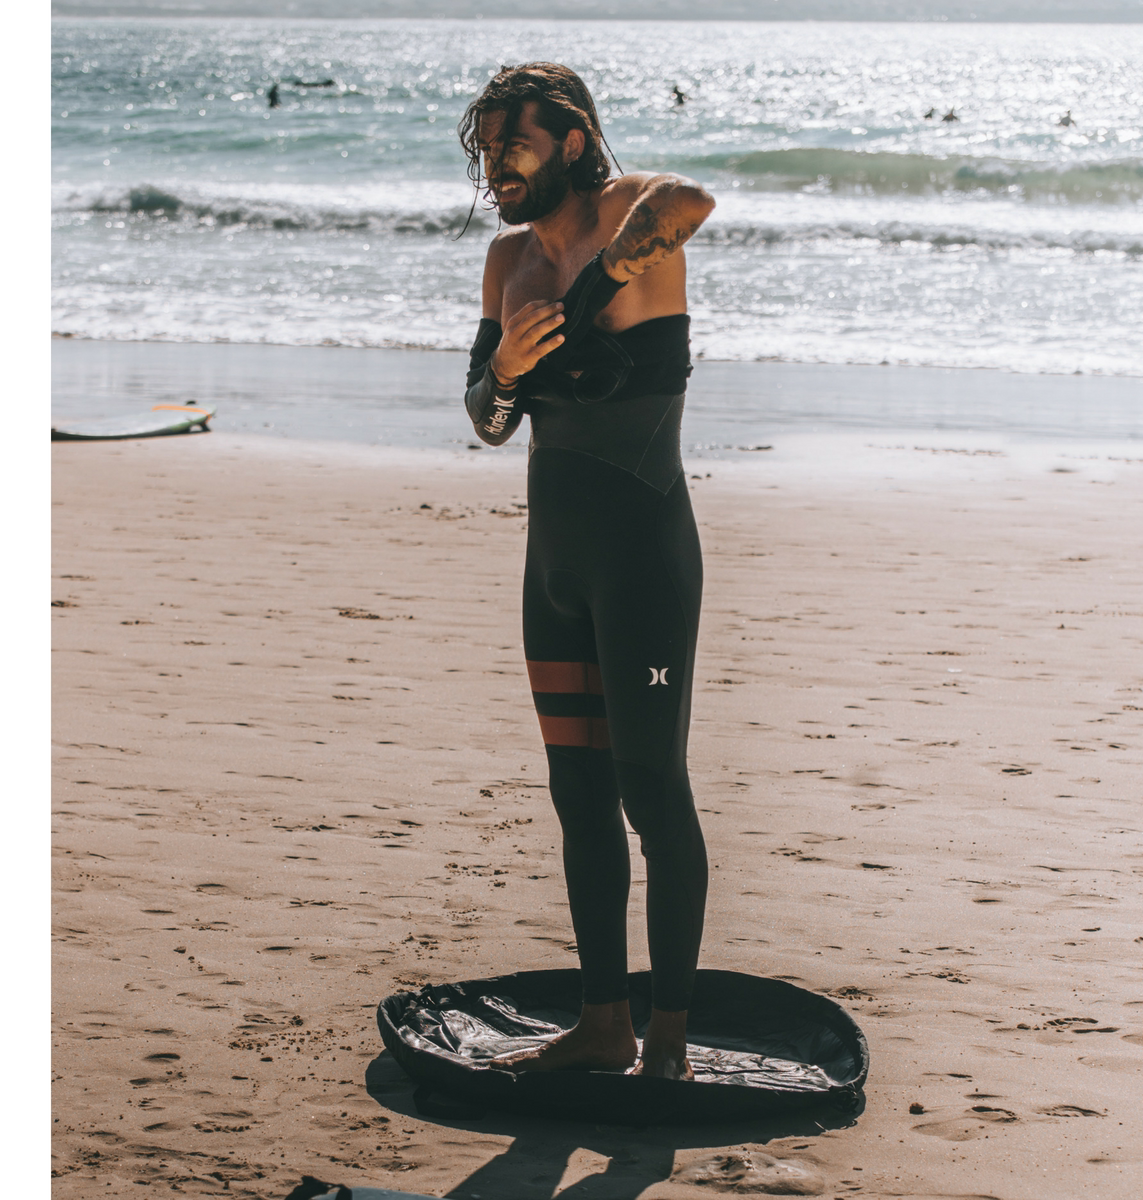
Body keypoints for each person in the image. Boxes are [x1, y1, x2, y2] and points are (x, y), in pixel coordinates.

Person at [457, 62, 716, 1081]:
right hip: (554, 571)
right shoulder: (507, 260)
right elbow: (486, 420)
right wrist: (508, 369)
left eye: (513, 145)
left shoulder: (632, 211)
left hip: (644, 560)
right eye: (487, 151)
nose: (496, 168)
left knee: (652, 793)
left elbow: (692, 203)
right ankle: (605, 1024)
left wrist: (584, 297)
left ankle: (671, 1045)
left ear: (569, 140)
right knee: (578, 796)